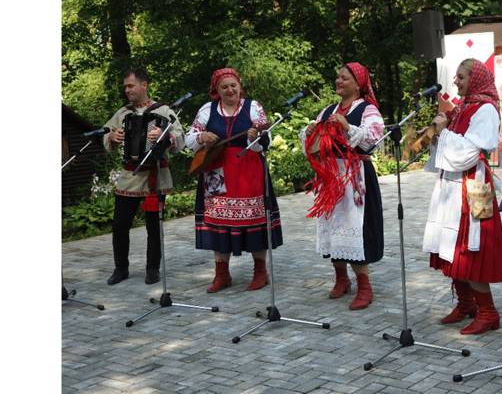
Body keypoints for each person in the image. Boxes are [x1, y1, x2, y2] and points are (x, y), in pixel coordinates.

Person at [422, 58, 502, 335]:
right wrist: (438, 134)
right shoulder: (463, 108)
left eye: (461, 76)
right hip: (453, 186)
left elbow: (469, 152)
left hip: (476, 186)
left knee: (474, 248)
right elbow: (448, 148)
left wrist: (444, 131)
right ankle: (466, 303)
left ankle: (488, 312)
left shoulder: (486, 110)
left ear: (476, 78)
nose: (456, 81)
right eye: (456, 76)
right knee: (452, 246)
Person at [186, 67, 283, 293]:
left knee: (255, 220)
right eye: (224, 87)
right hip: (217, 174)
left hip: (249, 170)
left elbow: (264, 142)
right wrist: (202, 136)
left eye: (233, 85)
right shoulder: (207, 110)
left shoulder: (253, 107)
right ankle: (222, 274)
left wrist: (256, 137)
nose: (230, 90)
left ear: (240, 86)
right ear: (217, 90)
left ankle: (260, 272)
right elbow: (189, 139)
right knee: (218, 221)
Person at [299, 62, 384, 310]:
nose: (338, 81)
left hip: (356, 177)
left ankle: (365, 286)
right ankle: (341, 279)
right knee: (333, 226)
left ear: (358, 84)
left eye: (344, 78)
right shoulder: (327, 110)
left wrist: (347, 126)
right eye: (337, 77)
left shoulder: (368, 110)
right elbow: (312, 143)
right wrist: (310, 131)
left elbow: (373, 139)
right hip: (331, 177)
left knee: (356, 228)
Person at [103, 68, 185, 285]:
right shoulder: (123, 113)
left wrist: (164, 135)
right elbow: (105, 135)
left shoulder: (165, 111)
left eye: (130, 85)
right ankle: (121, 268)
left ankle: (152, 269)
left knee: (153, 226)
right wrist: (112, 136)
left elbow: (180, 138)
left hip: (155, 176)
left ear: (144, 85)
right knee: (120, 224)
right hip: (130, 176)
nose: (127, 90)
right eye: (125, 86)